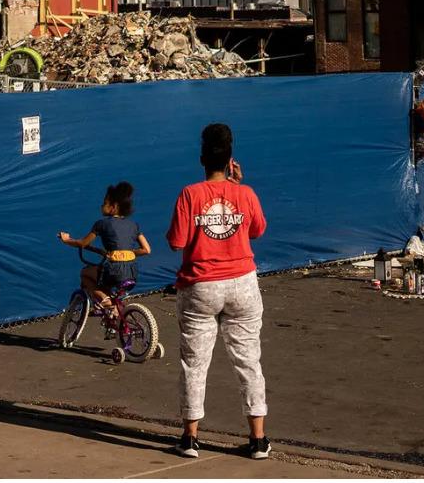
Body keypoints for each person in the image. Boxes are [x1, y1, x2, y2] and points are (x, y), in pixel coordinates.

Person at [165, 123, 269, 459]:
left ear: (201, 160)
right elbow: (256, 230)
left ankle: (190, 438)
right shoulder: (246, 193)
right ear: (230, 161)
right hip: (243, 283)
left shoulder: (189, 194)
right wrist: (237, 189)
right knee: (248, 361)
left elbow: (176, 241)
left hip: (201, 285)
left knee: (194, 364)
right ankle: (258, 440)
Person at [56, 181, 151, 312]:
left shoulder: (101, 224)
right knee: (110, 289)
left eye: (105, 203)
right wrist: (125, 253)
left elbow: (82, 243)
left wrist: (66, 240)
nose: (101, 206)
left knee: (84, 274)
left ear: (114, 207)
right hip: (132, 272)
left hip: (114, 271)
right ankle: (116, 320)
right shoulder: (134, 225)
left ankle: (104, 300)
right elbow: (146, 249)